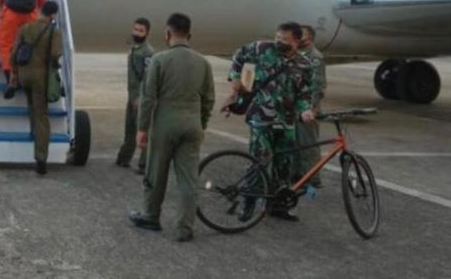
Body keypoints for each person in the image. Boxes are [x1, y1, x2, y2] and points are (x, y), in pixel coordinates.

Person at [129, 13, 215, 242]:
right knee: (188, 179)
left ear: (167, 34)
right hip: (192, 124)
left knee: (156, 173)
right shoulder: (203, 63)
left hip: (166, 124)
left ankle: (151, 216)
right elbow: (209, 100)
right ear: (190, 35)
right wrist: (201, 123)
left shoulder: (159, 60)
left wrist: (142, 128)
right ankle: (185, 228)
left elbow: (148, 97)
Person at [227, 22, 314, 222]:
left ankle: (278, 205)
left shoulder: (304, 65)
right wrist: (234, 78)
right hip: (261, 118)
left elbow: (304, 93)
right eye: (277, 37)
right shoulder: (261, 49)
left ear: (296, 41)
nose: (279, 42)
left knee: (284, 164)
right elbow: (238, 56)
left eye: (284, 39)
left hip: (287, 122)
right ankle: (248, 204)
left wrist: (305, 110)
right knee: (259, 161)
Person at [7, 0, 62, 175]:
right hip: (40, 78)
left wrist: (14, 76)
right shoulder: (54, 30)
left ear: (40, 11)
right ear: (53, 15)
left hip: (24, 76)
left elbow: (14, 53)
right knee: (41, 116)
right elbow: (55, 54)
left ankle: (34, 135)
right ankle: (41, 157)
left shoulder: (25, 28)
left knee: (31, 107)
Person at [115, 18, 154, 174]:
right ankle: (124, 158)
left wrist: (140, 97)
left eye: (140, 30)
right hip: (132, 97)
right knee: (129, 130)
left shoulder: (148, 52)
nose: (137, 33)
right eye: (135, 29)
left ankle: (144, 165)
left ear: (147, 33)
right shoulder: (134, 49)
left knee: (143, 131)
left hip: (140, 98)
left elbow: (148, 77)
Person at [296, 24, 327, 187]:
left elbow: (317, 85)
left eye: (301, 35)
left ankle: (313, 178)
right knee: (297, 143)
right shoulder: (298, 55)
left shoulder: (315, 57)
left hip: (308, 108)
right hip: (297, 107)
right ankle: (300, 174)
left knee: (309, 144)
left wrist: (309, 108)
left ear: (309, 39)